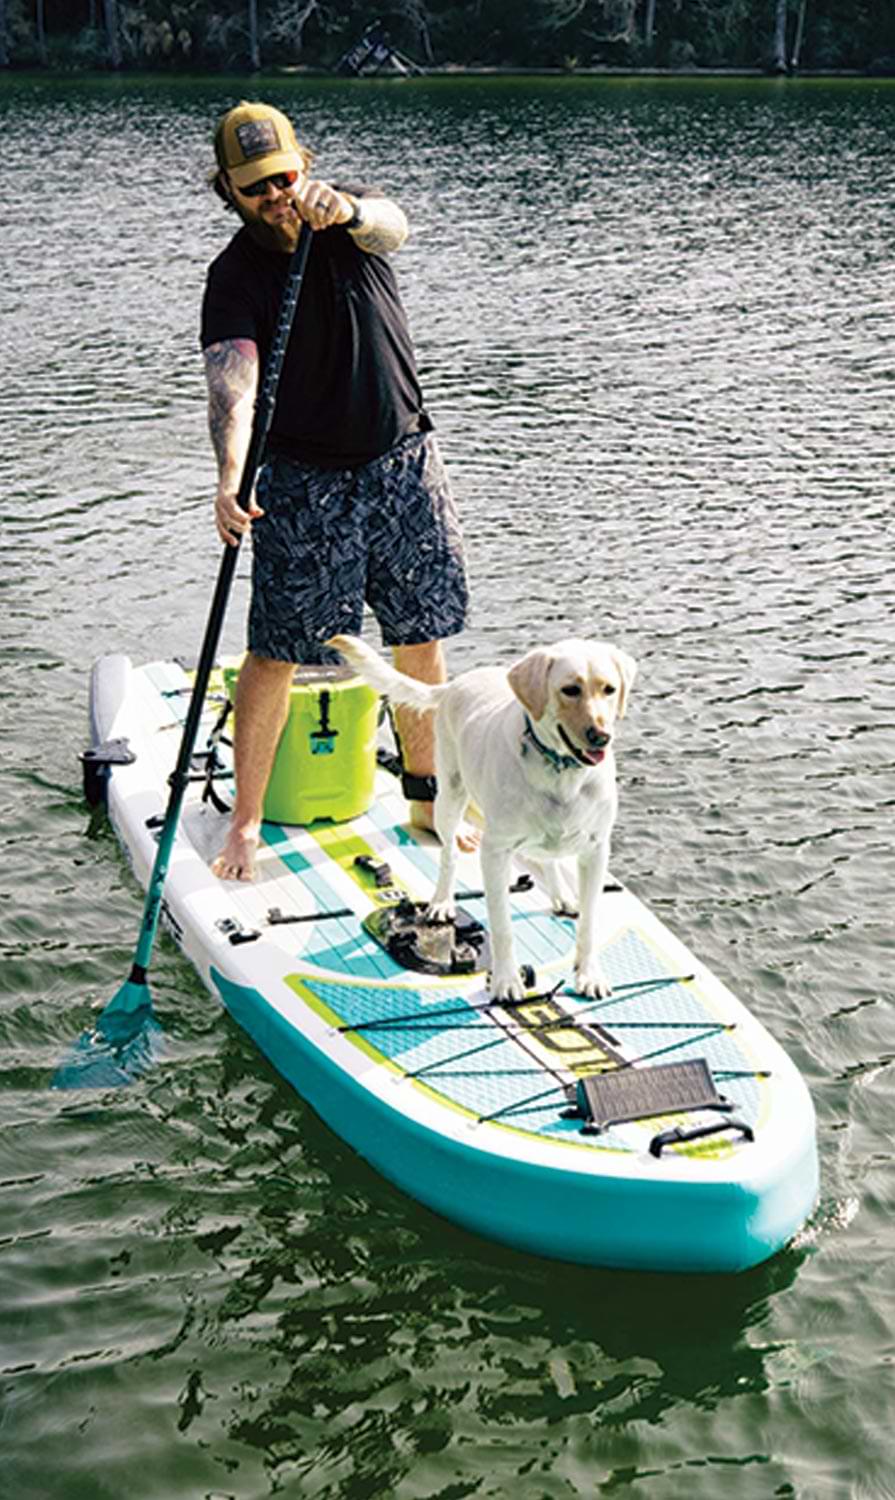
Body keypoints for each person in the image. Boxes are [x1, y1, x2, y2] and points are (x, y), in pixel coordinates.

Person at [201, 100, 470, 881]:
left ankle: (427, 799)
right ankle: (246, 824)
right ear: (228, 190)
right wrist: (228, 478)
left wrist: (347, 211)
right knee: (278, 651)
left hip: (402, 460)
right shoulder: (234, 275)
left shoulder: (352, 217)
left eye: (283, 178)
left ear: (304, 165)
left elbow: (395, 227)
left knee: (419, 632)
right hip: (303, 480)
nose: (275, 196)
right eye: (255, 188)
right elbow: (233, 385)